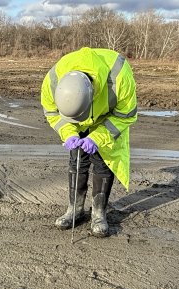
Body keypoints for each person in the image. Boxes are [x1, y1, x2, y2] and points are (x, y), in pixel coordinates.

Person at [40, 47, 137, 237]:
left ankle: (99, 213)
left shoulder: (119, 76)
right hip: (73, 116)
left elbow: (126, 115)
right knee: (77, 158)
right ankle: (75, 209)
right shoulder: (52, 81)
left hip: (106, 117)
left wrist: (97, 137)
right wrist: (69, 133)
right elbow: (51, 112)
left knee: (103, 160)